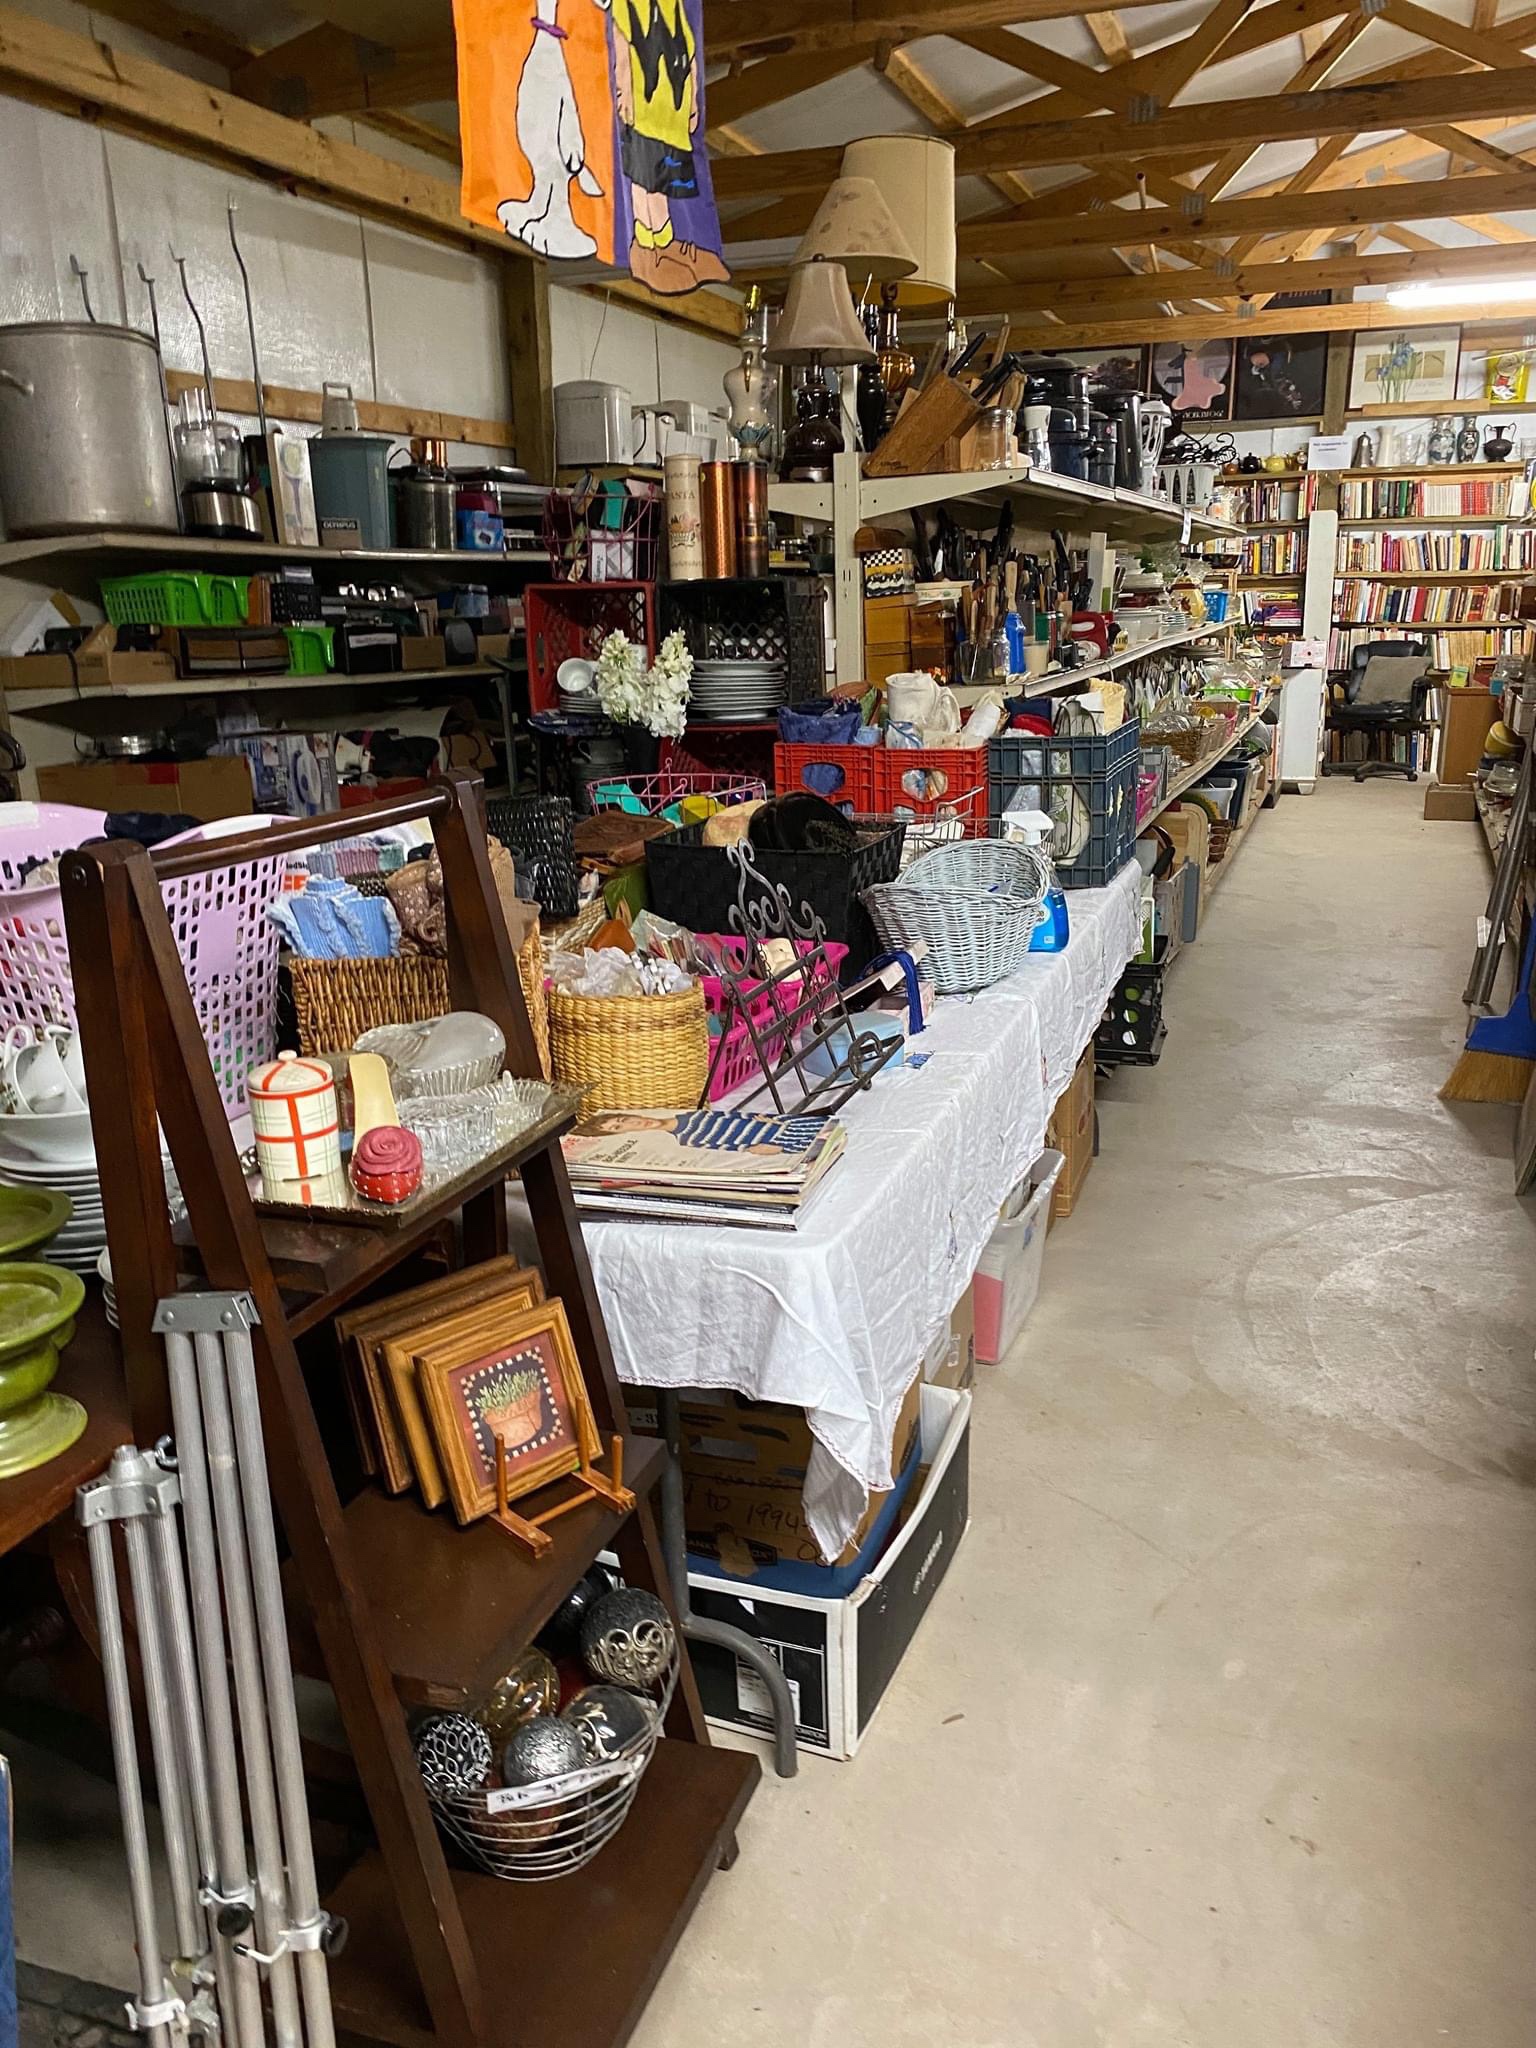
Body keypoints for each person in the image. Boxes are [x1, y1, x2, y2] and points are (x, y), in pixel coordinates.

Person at [597, 0, 729, 292]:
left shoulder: (675, 7)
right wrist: (623, 90)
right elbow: (619, 36)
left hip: (671, 112)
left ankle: (664, 240)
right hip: (643, 110)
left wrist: (693, 100)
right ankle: (647, 242)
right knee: (643, 183)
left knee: (663, 181)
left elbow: (689, 46)